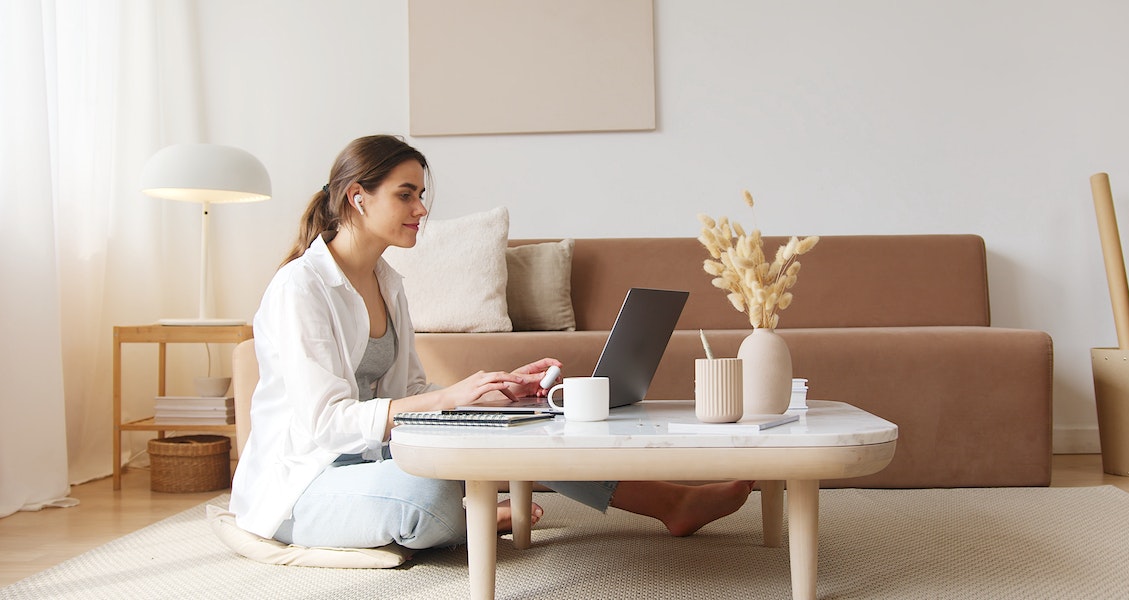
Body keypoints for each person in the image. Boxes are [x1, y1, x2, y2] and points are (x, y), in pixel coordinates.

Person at [229, 134, 753, 551]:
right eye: (405, 194)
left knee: (526, 429)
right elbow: (327, 423)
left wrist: (489, 395)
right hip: (305, 483)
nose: (421, 208)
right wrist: (448, 398)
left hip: (375, 457)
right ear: (357, 196)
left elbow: (411, 390)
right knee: (428, 492)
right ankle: (468, 516)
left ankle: (671, 502)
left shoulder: (388, 282)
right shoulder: (302, 287)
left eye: (421, 195)